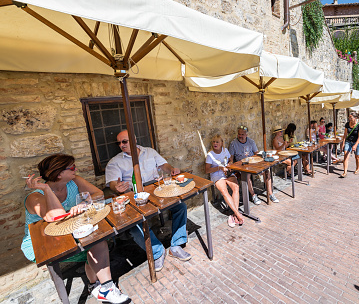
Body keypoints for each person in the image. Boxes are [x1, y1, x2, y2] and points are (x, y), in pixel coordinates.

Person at [22, 154, 129, 303]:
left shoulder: (74, 181)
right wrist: (46, 189)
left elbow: (97, 194)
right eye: (72, 167)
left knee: (97, 240)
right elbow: (56, 216)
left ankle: (99, 287)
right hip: (44, 244)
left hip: (69, 232)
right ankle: (103, 288)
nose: (76, 169)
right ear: (59, 174)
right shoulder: (34, 197)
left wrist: (84, 203)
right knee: (94, 245)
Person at [106, 130, 191, 267]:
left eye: (124, 141)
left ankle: (176, 245)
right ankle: (157, 252)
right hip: (134, 197)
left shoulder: (149, 152)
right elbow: (112, 183)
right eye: (119, 143)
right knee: (135, 224)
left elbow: (163, 165)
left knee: (180, 206)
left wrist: (171, 170)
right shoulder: (115, 162)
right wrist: (117, 187)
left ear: (134, 140)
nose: (121, 145)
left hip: (157, 191)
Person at [229, 125, 278, 204]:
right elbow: (231, 157)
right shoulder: (233, 143)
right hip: (242, 165)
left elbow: (257, 153)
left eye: (242, 134)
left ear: (246, 135)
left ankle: (270, 194)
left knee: (266, 172)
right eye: (239, 134)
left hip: (253, 163)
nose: (240, 136)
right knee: (247, 175)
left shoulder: (251, 142)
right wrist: (231, 163)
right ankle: (253, 195)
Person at [205, 135, 243, 227]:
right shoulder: (210, 155)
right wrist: (219, 168)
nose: (215, 143)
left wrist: (230, 163)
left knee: (236, 187)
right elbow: (207, 170)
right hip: (217, 175)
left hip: (227, 173)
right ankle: (237, 214)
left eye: (217, 142)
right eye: (213, 142)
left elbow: (230, 159)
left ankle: (234, 214)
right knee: (224, 191)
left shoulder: (225, 150)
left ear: (222, 143)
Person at [340, 112, 359, 177]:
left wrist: (355, 145)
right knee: (345, 156)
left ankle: (357, 169)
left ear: (355, 118)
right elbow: (345, 134)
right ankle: (345, 172)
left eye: (351, 117)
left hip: (357, 142)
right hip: (348, 142)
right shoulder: (347, 124)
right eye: (349, 117)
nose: (350, 119)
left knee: (357, 156)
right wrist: (343, 143)